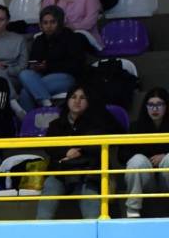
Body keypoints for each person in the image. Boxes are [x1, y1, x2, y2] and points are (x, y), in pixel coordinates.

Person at [36, 84, 120, 220]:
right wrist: (67, 152)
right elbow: (50, 148)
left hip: (89, 173)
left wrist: (78, 151)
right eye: (73, 97)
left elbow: (99, 145)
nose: (77, 101)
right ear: (67, 100)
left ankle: (93, 232)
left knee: (91, 206)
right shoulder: (56, 125)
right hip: (61, 172)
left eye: (82, 98)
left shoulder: (97, 123)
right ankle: (41, 229)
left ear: (88, 101)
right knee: (50, 187)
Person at [16, 5, 88, 113]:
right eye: (45, 23)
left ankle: (33, 119)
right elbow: (33, 60)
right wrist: (36, 66)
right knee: (24, 74)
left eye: (52, 22)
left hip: (65, 77)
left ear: (60, 22)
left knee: (25, 92)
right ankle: (47, 105)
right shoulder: (39, 40)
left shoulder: (71, 37)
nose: (49, 26)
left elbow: (76, 65)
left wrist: (48, 66)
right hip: (42, 76)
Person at [121, 87, 169, 218]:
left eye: (159, 104)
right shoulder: (135, 127)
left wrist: (164, 156)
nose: (155, 109)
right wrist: (145, 159)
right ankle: (132, 210)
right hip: (146, 181)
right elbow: (122, 155)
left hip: (166, 180)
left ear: (166, 106)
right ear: (145, 106)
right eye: (151, 105)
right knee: (137, 160)